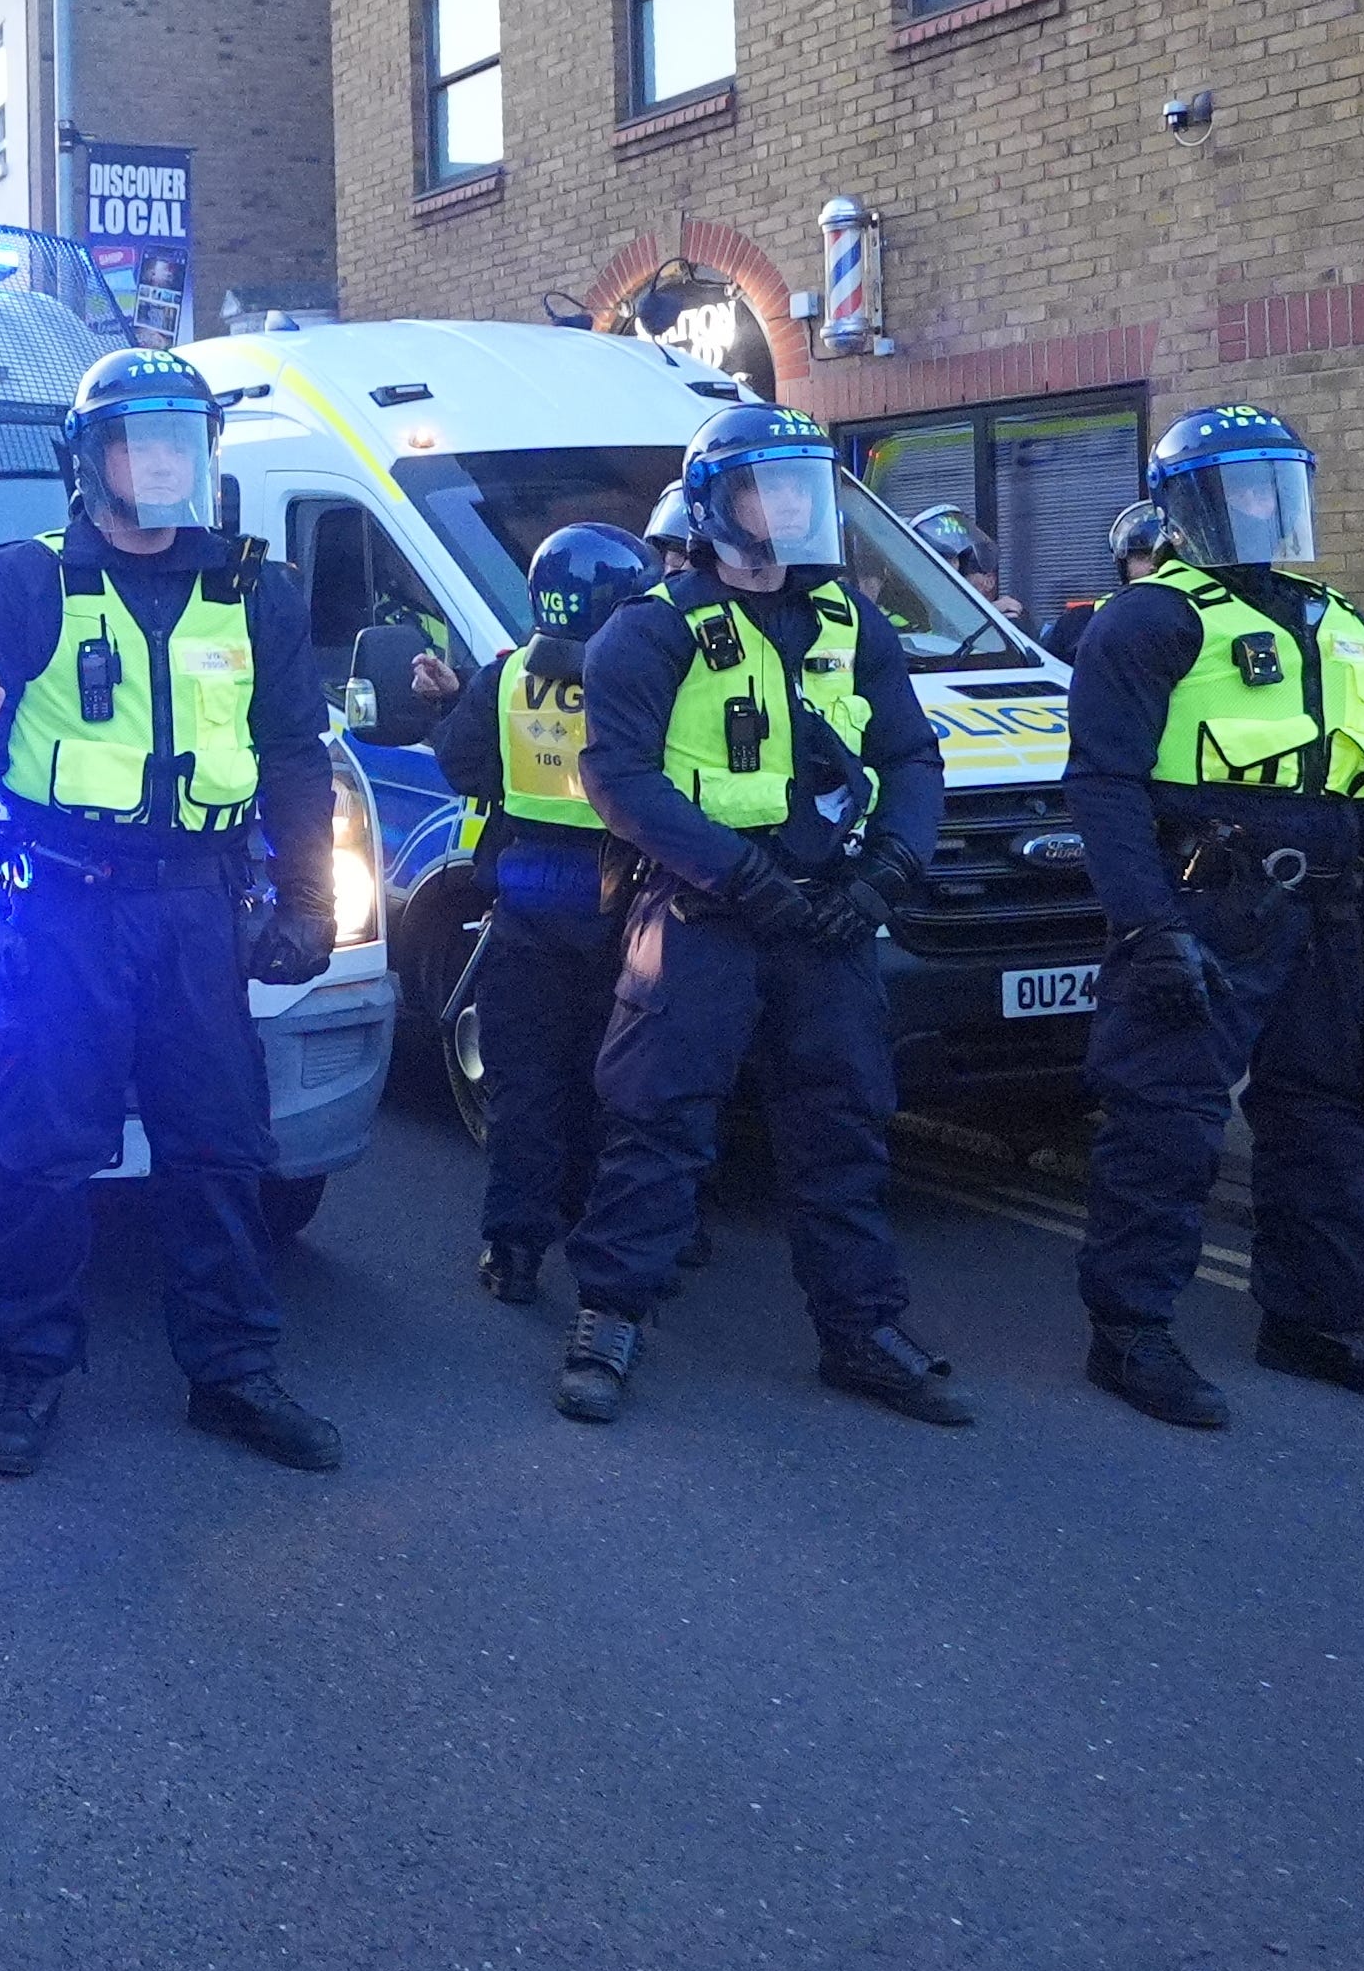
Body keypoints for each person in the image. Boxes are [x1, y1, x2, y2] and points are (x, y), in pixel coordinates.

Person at [0, 348, 345, 1479]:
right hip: (66, 906)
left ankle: (233, 1373)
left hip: (201, 908)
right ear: (86, 459)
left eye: (181, 440)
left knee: (221, 1149)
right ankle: (28, 1366)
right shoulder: (19, 584)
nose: (163, 462)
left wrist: (309, 895)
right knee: (40, 1154)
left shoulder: (257, 590)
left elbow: (295, 756)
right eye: (137, 441)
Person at [549, 409, 969, 1429]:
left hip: (829, 913)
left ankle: (861, 1331)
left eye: (801, 487)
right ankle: (610, 1319)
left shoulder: (851, 621)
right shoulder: (652, 627)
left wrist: (890, 869)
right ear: (712, 507)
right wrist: (742, 875)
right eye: (764, 489)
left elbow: (911, 756)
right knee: (658, 1122)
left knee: (844, 1126)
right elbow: (619, 779)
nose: (789, 506)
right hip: (704, 912)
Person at [1056, 407, 1364, 1425]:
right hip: (1205, 902)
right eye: (1236, 490)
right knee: (1166, 1121)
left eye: (1274, 486)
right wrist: (1149, 925)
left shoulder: (1338, 619)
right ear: (1186, 509)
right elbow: (1103, 784)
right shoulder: (1149, 619)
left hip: (1332, 909)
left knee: (1325, 1119)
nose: (1261, 507)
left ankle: (1316, 1321)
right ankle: (1130, 1332)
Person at [409, 520, 653, 1308]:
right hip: (628, 917)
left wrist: (452, 704)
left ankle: (513, 1252)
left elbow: (462, 764)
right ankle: (612, 1236)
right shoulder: (650, 679)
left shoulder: (509, 674)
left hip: (526, 915)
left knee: (526, 1092)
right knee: (616, 1087)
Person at [1037, 498, 1175, 669]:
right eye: (1142, 557)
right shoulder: (1078, 623)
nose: (1153, 566)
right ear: (1123, 563)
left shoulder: (1193, 617)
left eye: (1164, 558)